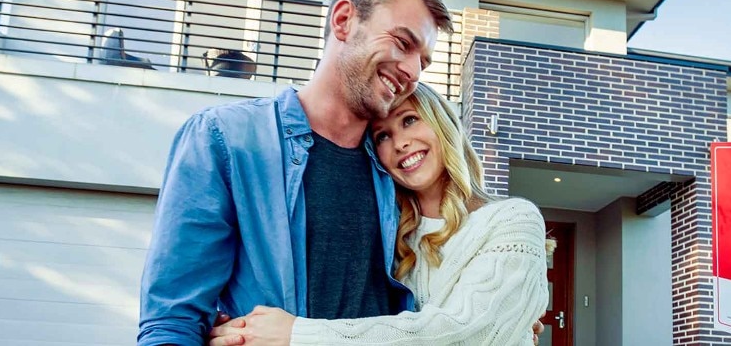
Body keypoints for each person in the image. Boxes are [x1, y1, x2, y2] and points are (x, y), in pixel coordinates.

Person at [137, 0, 452, 345]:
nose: (412, 71)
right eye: (403, 43)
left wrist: (510, 313)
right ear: (344, 20)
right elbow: (173, 321)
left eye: (424, 61)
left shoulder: (400, 168)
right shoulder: (226, 139)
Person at [207, 83, 549, 345]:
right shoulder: (391, 237)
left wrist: (297, 335)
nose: (399, 143)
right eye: (383, 136)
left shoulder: (511, 219)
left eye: (410, 120)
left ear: (443, 125)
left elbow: (469, 333)